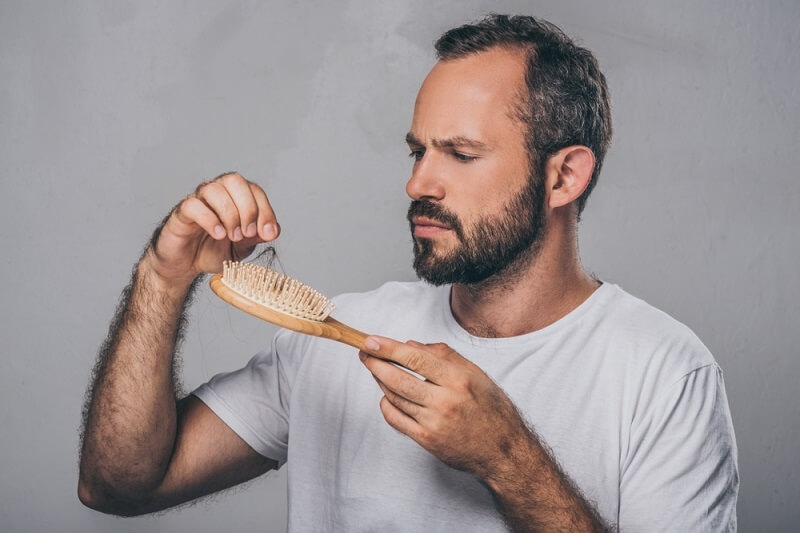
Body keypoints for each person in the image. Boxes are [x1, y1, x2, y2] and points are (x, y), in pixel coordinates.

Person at [78, 14, 738, 532]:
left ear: (564, 175)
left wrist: (508, 459)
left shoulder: (664, 374)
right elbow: (117, 484)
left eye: (460, 153)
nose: (417, 181)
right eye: (418, 150)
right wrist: (161, 279)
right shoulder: (332, 339)